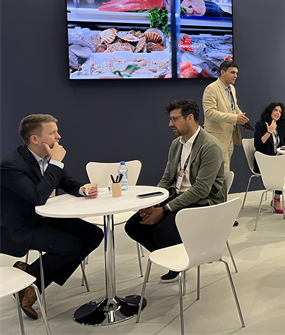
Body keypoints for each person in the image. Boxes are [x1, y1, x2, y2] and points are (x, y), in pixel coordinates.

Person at [0, 114, 103, 319]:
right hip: (18, 227)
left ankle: (30, 274)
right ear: (35, 139)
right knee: (70, 247)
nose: (58, 136)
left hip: (42, 217)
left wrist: (83, 189)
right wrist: (56, 163)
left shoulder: (46, 156)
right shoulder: (11, 165)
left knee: (94, 235)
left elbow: (67, 182)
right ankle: (32, 286)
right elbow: (37, 197)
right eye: (53, 132)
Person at [125, 99, 226, 282]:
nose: (170, 124)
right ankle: (175, 260)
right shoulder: (176, 144)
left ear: (190, 118)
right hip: (178, 196)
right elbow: (167, 178)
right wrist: (153, 203)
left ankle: (183, 258)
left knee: (163, 233)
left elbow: (201, 190)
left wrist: (164, 210)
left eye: (174, 119)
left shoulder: (209, 146)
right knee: (134, 226)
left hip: (203, 203)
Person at [253, 102, 285, 216]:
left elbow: (284, 144)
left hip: (276, 161)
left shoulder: (278, 127)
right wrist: (269, 132)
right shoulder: (260, 125)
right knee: (282, 169)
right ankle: (276, 199)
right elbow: (258, 145)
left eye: (280, 112)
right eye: (276, 110)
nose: (278, 113)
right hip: (264, 162)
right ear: (270, 111)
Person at [202, 60, 250, 170]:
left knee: (226, 170)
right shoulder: (211, 88)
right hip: (216, 137)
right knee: (217, 171)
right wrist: (235, 118)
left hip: (229, 136)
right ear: (222, 72)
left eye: (236, 73)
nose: (235, 76)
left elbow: (234, 107)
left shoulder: (232, 88)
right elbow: (209, 113)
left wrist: (243, 120)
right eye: (232, 72)